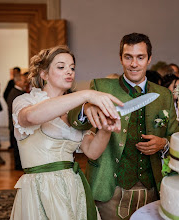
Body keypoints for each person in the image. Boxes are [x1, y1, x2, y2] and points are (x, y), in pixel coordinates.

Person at [68, 33, 179, 219]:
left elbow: (175, 136)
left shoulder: (163, 95)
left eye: (140, 57)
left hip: (152, 189)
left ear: (149, 59)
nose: (134, 64)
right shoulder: (101, 86)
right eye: (128, 57)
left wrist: (163, 144)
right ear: (121, 58)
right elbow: (74, 120)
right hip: (109, 188)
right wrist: (85, 107)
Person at [10, 45, 123, 220]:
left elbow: (92, 152)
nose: (69, 72)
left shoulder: (75, 112)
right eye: (61, 67)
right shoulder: (25, 101)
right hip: (42, 189)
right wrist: (87, 94)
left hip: (73, 187)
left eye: (72, 68)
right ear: (44, 74)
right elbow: (31, 117)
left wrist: (105, 129)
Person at [6, 72, 28, 170]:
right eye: (23, 81)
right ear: (18, 82)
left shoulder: (17, 92)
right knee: (17, 147)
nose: (25, 82)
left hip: (17, 124)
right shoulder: (15, 93)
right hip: (17, 124)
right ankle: (19, 166)